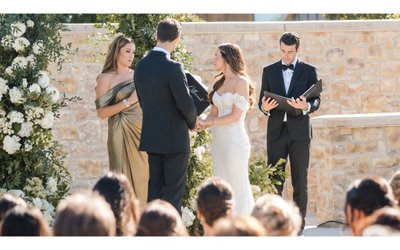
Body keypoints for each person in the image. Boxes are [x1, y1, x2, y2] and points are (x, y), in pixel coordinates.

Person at [258, 32, 321, 230]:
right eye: (283, 51)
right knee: (275, 179)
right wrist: (264, 108)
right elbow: (262, 101)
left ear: (297, 50)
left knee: (300, 180)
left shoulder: (309, 70)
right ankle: (274, 225)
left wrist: (306, 106)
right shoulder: (268, 71)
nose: (286, 55)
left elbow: (316, 100)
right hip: (276, 132)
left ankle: (299, 227)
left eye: (290, 52)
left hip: (300, 133)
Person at [134, 19, 197, 213]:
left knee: (155, 190)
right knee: (173, 194)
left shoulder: (140, 66)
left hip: (153, 136)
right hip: (175, 138)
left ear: (156, 36)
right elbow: (185, 104)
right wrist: (193, 122)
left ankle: (151, 234)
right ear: (177, 40)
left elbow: (144, 103)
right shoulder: (173, 67)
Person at [199, 43, 255, 215]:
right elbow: (213, 113)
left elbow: (235, 117)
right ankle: (224, 224)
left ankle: (243, 226)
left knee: (238, 185)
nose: (213, 59)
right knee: (221, 185)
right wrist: (200, 123)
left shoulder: (241, 82)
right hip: (218, 142)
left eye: (217, 55)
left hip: (235, 142)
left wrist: (210, 123)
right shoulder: (218, 83)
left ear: (226, 58)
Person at [95, 35, 149, 208]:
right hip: (118, 133)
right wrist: (128, 101)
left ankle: (141, 222)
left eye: (133, 52)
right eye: (127, 51)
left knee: (143, 177)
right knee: (120, 178)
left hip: (141, 133)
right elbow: (102, 113)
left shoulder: (139, 74)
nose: (131, 55)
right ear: (116, 52)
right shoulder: (106, 78)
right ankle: (120, 221)